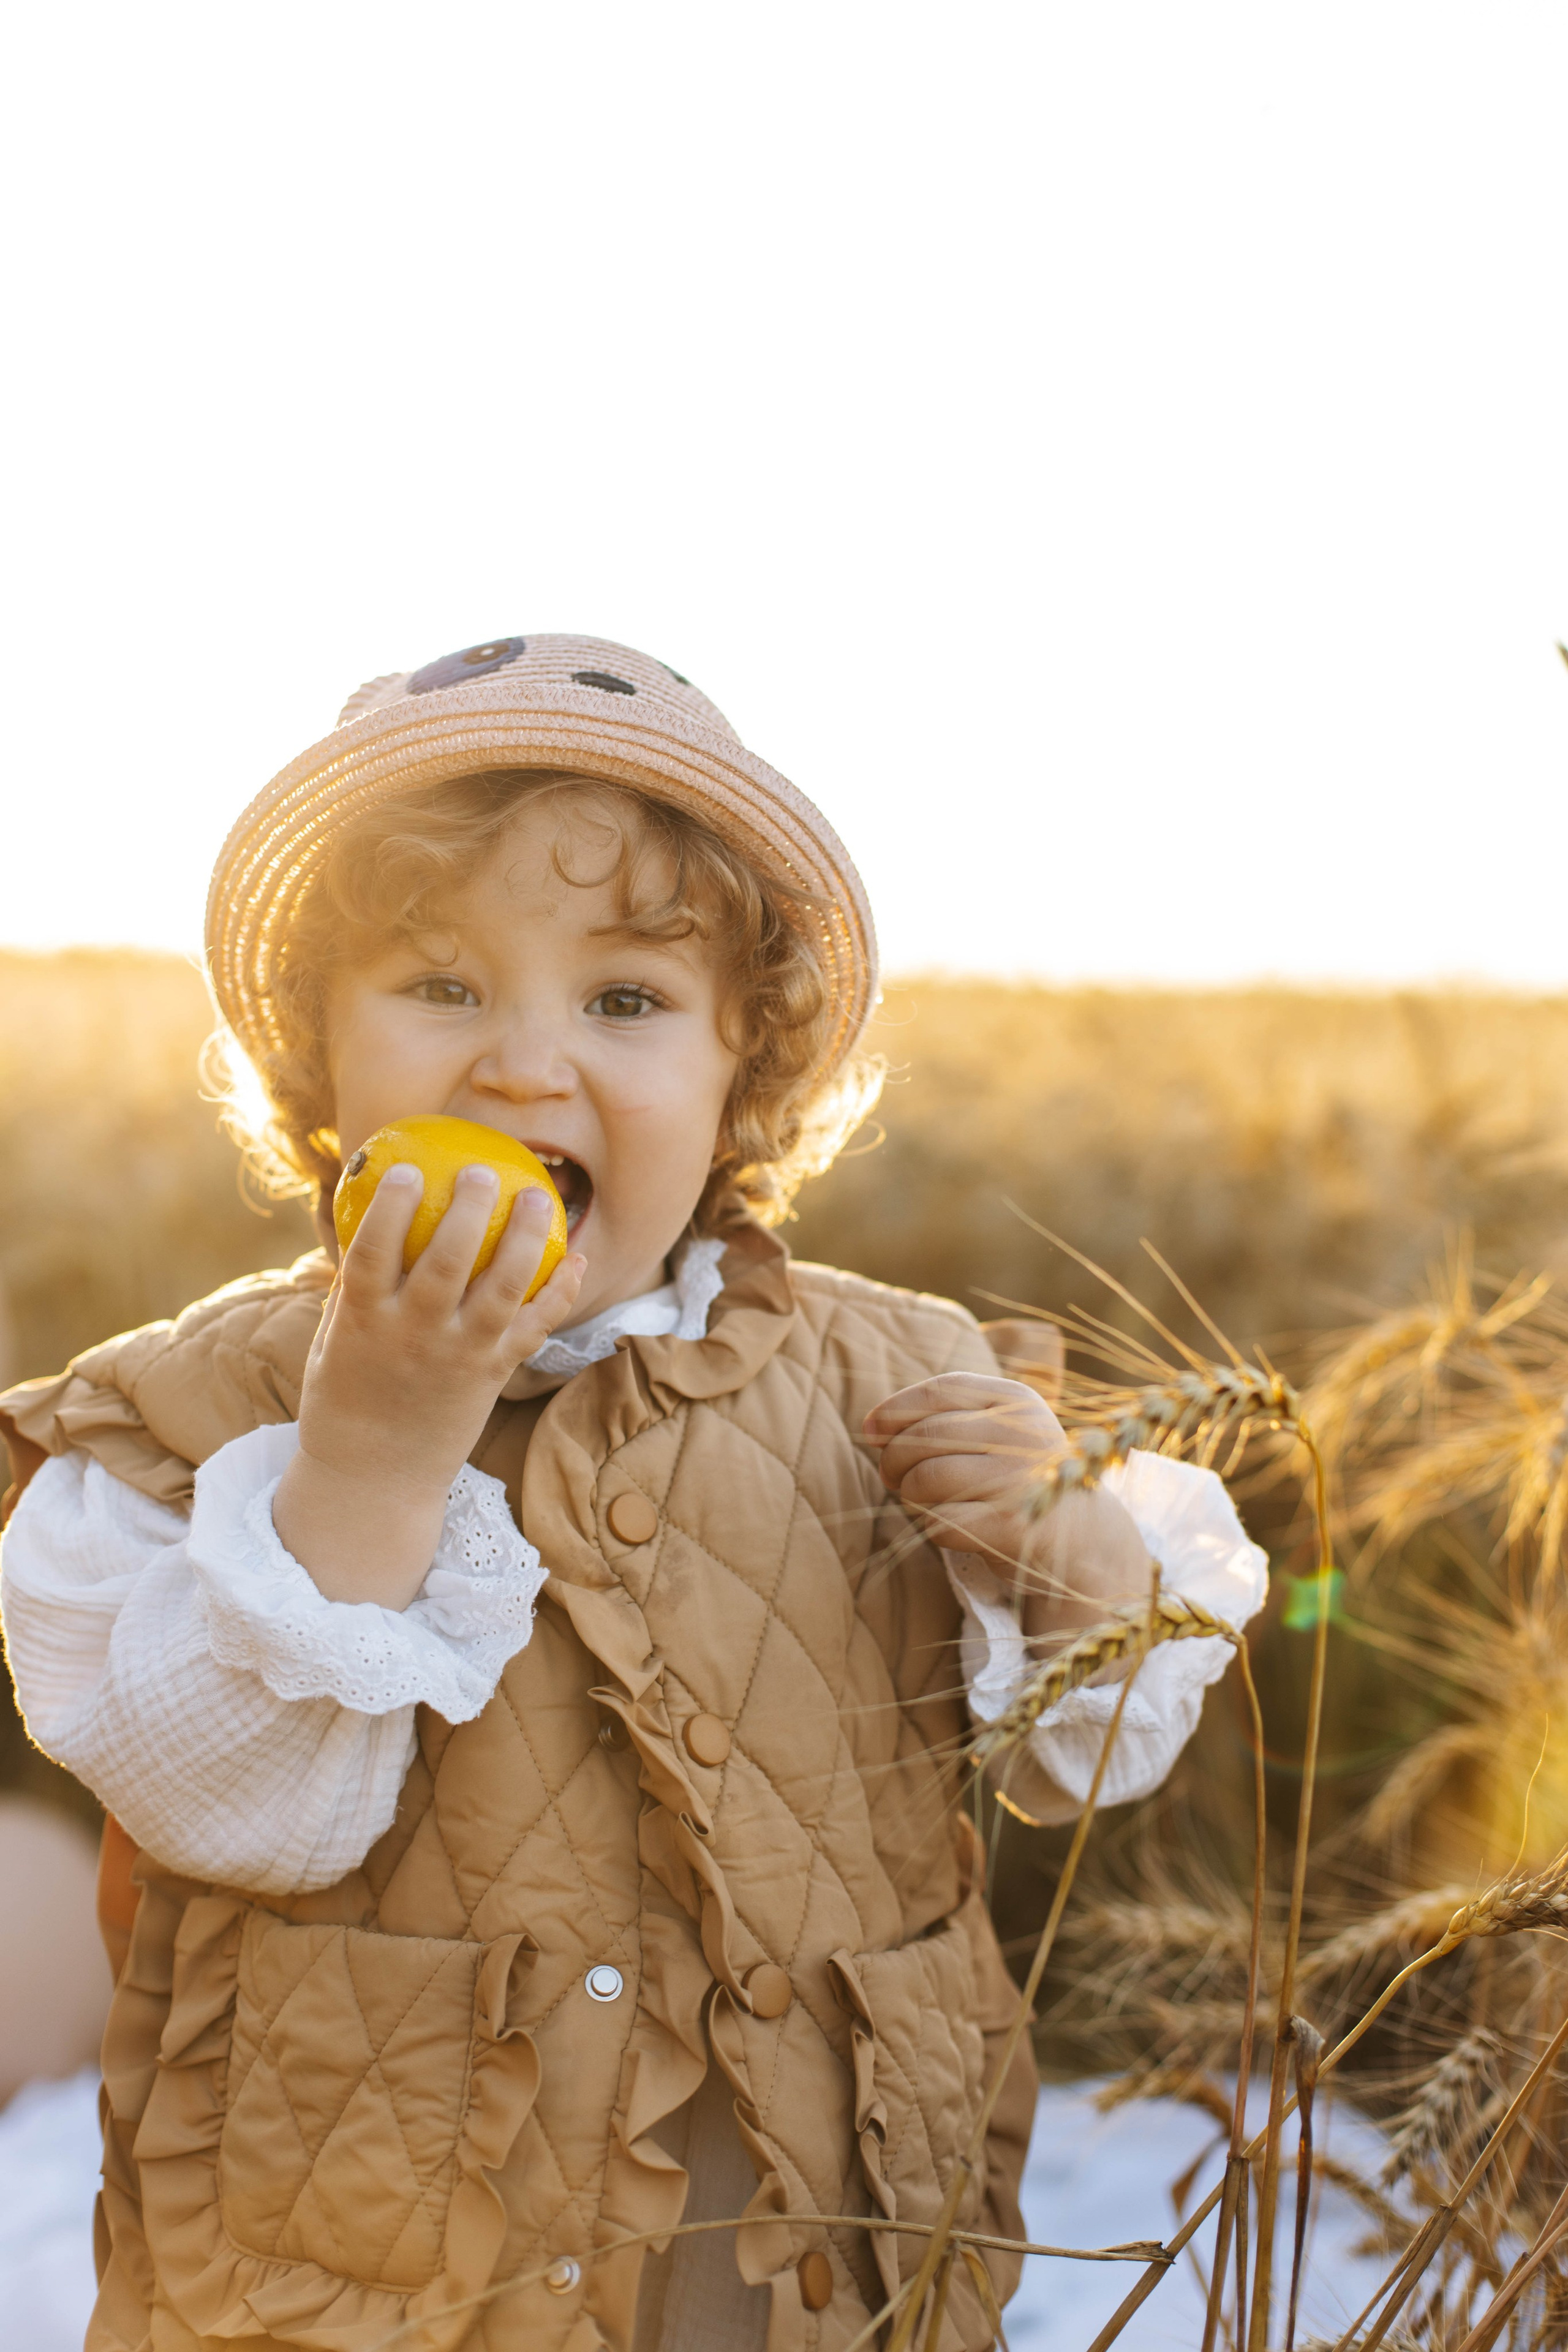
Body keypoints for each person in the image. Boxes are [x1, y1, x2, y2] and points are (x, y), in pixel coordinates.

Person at [0, 637, 1265, 2351]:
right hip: (371, 2273)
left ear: (744, 1074)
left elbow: (1095, 1745)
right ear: (317, 1055)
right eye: (440, 987)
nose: (526, 1065)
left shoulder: (900, 1382)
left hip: (805, 2252)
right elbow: (219, 1794)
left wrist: (1070, 1553)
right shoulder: (190, 1417)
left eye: (624, 1001)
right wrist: (372, 1444)